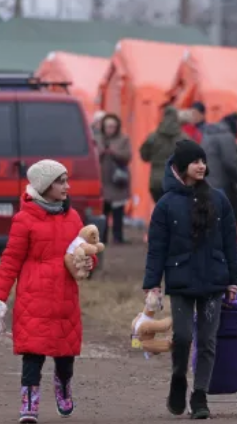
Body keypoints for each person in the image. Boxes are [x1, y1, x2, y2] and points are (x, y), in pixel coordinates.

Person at [142, 140, 237, 419]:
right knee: (183, 336)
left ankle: (200, 396)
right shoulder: (166, 205)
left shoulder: (219, 199)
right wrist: (153, 284)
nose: (201, 166)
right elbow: (156, 248)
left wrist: (233, 280)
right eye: (195, 161)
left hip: (214, 280)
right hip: (181, 280)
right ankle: (178, 378)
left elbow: (230, 244)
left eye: (203, 161)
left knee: (208, 341)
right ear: (179, 167)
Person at [0, 160, 96, 423]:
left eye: (66, 180)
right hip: (34, 300)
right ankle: (29, 405)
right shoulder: (24, 220)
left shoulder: (73, 217)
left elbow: (84, 251)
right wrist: (0, 298)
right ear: (45, 186)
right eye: (60, 181)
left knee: (65, 356)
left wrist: (89, 262)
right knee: (33, 354)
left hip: (65, 299)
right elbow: (10, 261)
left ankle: (63, 386)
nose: (67, 186)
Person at [203, 113, 237, 258]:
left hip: (205, 183)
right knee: (224, 220)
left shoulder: (208, 134)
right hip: (220, 185)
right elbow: (230, 163)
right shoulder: (226, 136)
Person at [140, 106, 188, 203]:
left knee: (161, 210)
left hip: (156, 181)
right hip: (176, 180)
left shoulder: (153, 137)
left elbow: (144, 156)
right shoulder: (184, 138)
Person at [97, 113, 132, 244]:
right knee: (103, 210)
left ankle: (118, 236)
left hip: (118, 179)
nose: (110, 129)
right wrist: (101, 152)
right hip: (102, 179)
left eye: (113, 126)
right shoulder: (97, 138)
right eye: (108, 126)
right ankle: (102, 237)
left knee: (118, 210)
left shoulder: (124, 139)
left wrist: (114, 153)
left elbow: (128, 156)